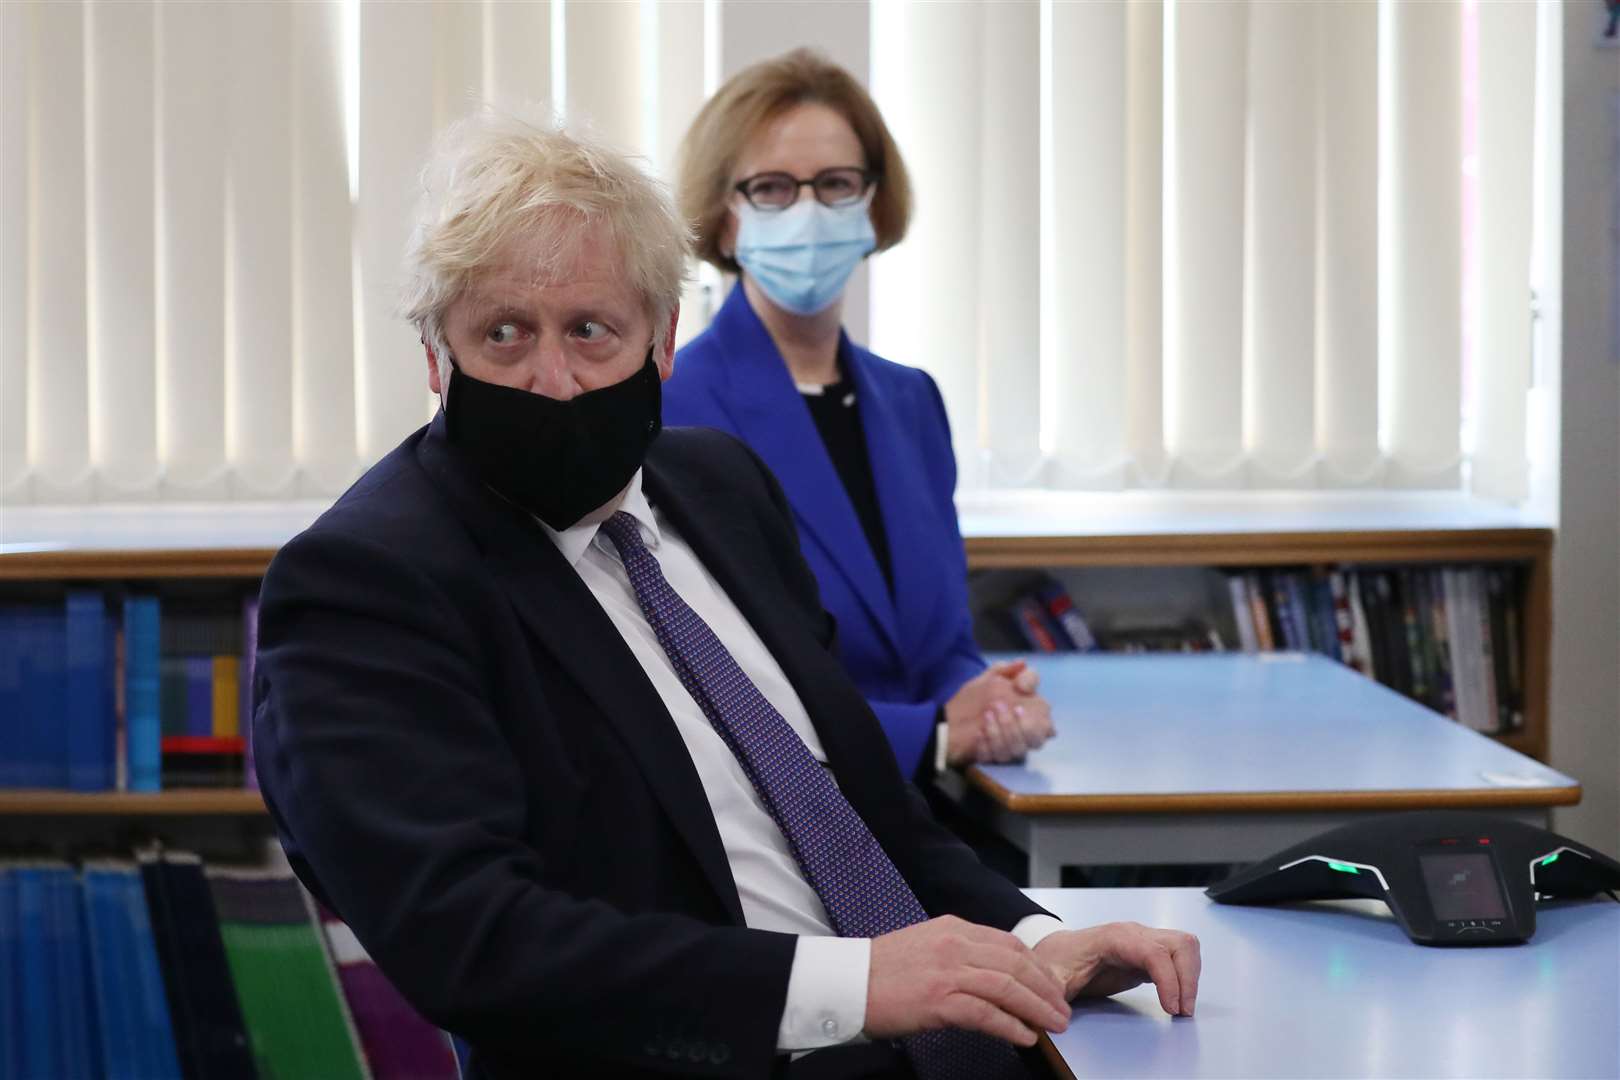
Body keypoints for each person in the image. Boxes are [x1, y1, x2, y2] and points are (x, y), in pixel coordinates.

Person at [252, 111, 1199, 1080]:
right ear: (433, 356)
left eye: (590, 331)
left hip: (939, 1049)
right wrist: (851, 985)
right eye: (502, 334)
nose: (552, 379)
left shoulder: (721, 488)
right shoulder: (365, 585)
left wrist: (1032, 937)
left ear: (662, 341)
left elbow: (865, 812)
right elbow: (476, 941)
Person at [664, 50, 1051, 782]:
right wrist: (934, 734)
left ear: (874, 205)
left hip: (940, 812)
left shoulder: (912, 402)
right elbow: (715, 686)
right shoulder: (673, 411)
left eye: (837, 184)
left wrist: (985, 698)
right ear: (723, 218)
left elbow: (938, 645)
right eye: (773, 188)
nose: (809, 211)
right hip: (793, 822)